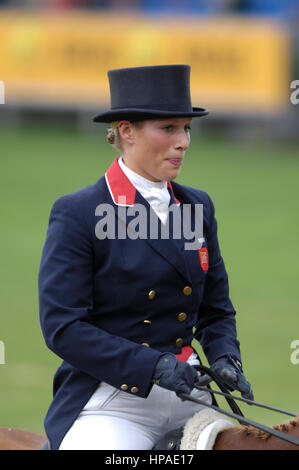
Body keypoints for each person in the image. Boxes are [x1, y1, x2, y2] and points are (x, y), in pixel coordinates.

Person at [38, 64, 253, 450]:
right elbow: (62, 327)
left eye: (186, 128)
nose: (183, 141)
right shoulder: (79, 212)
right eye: (168, 128)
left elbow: (216, 310)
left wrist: (226, 359)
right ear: (126, 131)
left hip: (190, 392)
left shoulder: (196, 206)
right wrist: (150, 365)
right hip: (112, 399)